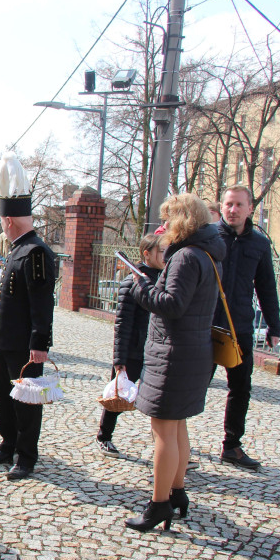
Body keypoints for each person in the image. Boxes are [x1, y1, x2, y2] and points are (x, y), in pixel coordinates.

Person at [124, 194, 226, 531]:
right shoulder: (208, 254)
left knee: (164, 431)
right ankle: (177, 492)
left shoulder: (185, 256)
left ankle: (159, 505)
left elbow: (171, 304)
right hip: (191, 352)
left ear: (182, 222)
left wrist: (140, 287)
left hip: (174, 355)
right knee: (178, 426)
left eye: (168, 220)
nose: (162, 228)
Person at [0, 152, 56, 481]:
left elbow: (42, 303)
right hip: (4, 340)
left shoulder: (36, 252)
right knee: (3, 396)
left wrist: (40, 343)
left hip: (25, 345)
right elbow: (6, 298)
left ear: (9, 221)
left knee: (27, 402)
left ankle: (26, 456)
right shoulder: (16, 250)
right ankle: (7, 444)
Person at [214, 185, 280, 470]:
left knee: (240, 388)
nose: (233, 209)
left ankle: (232, 445)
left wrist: (274, 326)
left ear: (250, 208)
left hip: (240, 326)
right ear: (221, 206)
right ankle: (182, 446)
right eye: (229, 204)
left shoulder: (260, 244)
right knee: (193, 386)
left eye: (239, 204)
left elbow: (267, 286)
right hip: (205, 324)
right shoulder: (208, 237)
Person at [95, 234, 165, 457]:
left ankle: (167, 446)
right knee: (118, 396)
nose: (166, 256)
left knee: (161, 401)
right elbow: (122, 324)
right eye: (161, 251)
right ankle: (104, 436)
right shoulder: (132, 282)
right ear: (147, 253)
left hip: (157, 351)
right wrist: (120, 361)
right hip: (134, 350)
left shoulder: (165, 279)